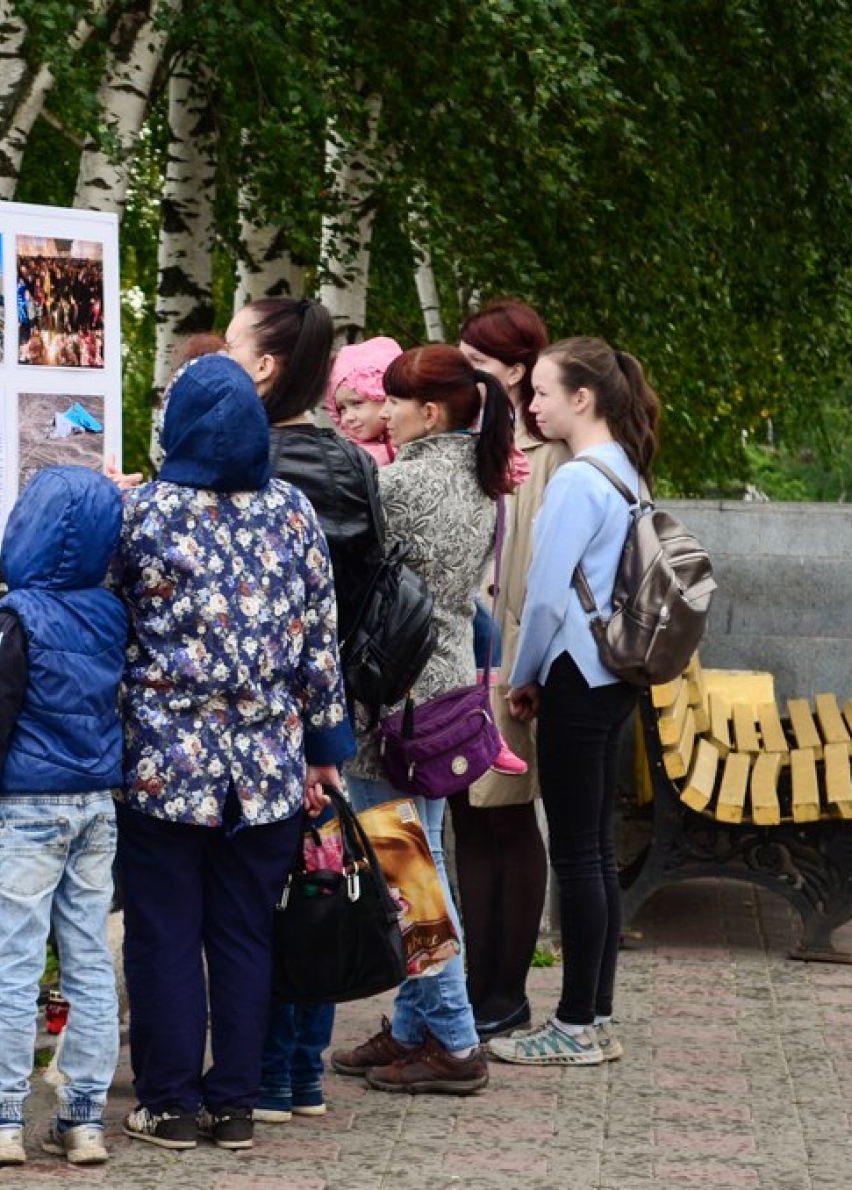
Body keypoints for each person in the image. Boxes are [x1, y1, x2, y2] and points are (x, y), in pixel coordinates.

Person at [115, 352, 354, 1153]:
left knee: (165, 932)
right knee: (247, 933)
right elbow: (322, 644)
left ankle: (171, 1104)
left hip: (163, 766)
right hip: (267, 766)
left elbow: (111, 629)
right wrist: (325, 750)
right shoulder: (292, 513)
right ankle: (237, 1106)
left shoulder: (144, 515)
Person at [329, 344, 515, 1096]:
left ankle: (458, 1043)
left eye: (397, 402)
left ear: (428, 412)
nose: (387, 413)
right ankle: (411, 1030)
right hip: (443, 697)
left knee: (407, 876)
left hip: (392, 701)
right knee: (422, 857)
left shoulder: (398, 484)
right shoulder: (482, 476)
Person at [230, 303, 392, 1125]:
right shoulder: (353, 460)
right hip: (334, 706)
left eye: (231, 345)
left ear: (263, 368)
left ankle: (262, 1074)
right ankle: (303, 1074)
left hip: (264, 713)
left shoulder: (251, 462)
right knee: (323, 877)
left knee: (265, 890)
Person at [0, 466, 127, 1166]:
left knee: (16, 970)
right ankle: (82, 1120)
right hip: (94, 809)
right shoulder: (111, 612)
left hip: (25, 815)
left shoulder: (12, 617)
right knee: (87, 964)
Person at [490, 336, 660, 1067]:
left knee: (581, 855)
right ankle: (594, 1016)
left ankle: (574, 1025)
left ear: (582, 399)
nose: (532, 405)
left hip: (574, 676)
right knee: (593, 848)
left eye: (545, 394)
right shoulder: (626, 471)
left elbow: (544, 596)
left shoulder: (577, 480)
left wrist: (520, 676)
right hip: (616, 673)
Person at [449, 299, 566, 1040]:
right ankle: (475, 981)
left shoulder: (545, 455)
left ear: (516, 371)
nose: (463, 380)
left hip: (510, 659)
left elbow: (536, 572)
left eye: (477, 367)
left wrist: (528, 666)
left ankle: (506, 988)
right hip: (461, 655)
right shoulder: (474, 440)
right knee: (468, 818)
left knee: (510, 818)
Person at [323, 336, 402, 466]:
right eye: (342, 409)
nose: (348, 417)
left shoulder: (415, 440)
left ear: (385, 397)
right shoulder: (349, 457)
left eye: (357, 403)